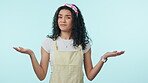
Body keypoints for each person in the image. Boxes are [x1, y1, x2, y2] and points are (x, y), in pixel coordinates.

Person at [13, 3, 125, 83]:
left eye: (68, 17)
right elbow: (41, 76)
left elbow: (90, 76)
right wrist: (31, 54)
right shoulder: (48, 43)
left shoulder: (84, 44)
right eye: (60, 17)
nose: (62, 20)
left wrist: (103, 58)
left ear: (75, 21)